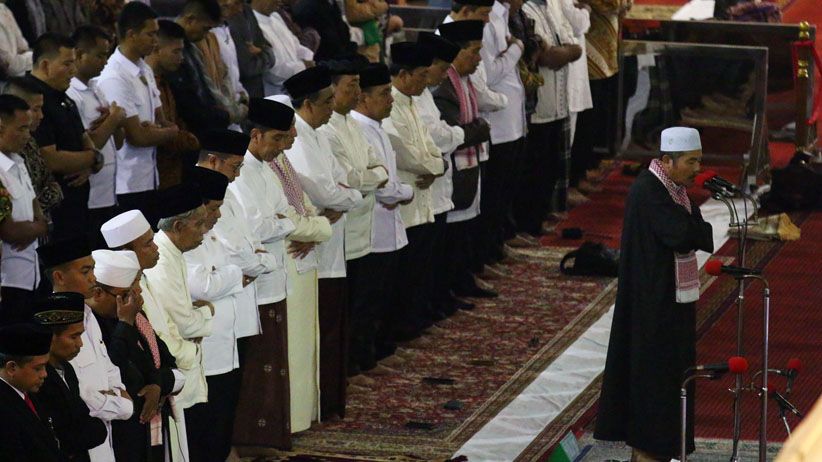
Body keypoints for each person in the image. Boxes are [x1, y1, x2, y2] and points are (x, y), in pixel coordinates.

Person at [594, 127, 715, 461]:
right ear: (668, 160)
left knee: (669, 389)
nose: (697, 168)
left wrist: (694, 229)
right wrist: (693, 229)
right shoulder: (650, 191)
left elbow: (700, 232)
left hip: (666, 304)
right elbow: (683, 234)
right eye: (691, 161)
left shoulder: (672, 191)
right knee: (653, 397)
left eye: (699, 161)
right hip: (652, 310)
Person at [283, 65, 364, 420]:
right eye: (327, 101)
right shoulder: (297, 138)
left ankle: (329, 399)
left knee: (333, 327)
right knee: (321, 330)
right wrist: (341, 200)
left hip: (330, 239)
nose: (334, 107)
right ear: (308, 104)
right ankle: (317, 404)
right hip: (312, 248)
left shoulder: (319, 131)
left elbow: (343, 183)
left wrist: (342, 199)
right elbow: (324, 189)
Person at [316, 56, 390, 392]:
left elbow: (377, 169)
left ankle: (362, 359)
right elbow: (349, 178)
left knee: (365, 299)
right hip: (343, 230)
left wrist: (369, 177)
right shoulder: (329, 130)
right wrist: (369, 177)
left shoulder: (352, 124)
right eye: (351, 86)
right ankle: (346, 368)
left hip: (364, 225)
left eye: (360, 85)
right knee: (347, 305)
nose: (357, 93)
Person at [230, 97, 298, 449]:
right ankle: (251, 441)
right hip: (254, 284)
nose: (281, 148)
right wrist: (282, 223)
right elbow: (257, 226)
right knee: (257, 368)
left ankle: (269, 439)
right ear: (255, 135)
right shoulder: (241, 173)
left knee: (273, 365)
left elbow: (285, 213)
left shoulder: (267, 169)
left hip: (274, 278)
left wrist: (280, 223)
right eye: (277, 140)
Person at [266, 90, 333, 435]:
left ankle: (303, 416)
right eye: (287, 130)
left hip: (304, 260)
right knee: (291, 346)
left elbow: (307, 211)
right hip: (287, 263)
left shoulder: (283, 163)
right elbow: (290, 221)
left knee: (306, 341)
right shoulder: (263, 168)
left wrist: (316, 228)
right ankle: (290, 420)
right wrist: (319, 228)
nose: (294, 135)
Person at [37, 237, 134, 462]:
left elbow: (113, 377)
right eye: (85, 271)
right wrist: (115, 403)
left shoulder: (89, 316)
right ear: (59, 277)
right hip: (81, 443)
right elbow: (77, 396)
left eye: (93, 269)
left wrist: (113, 401)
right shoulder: (53, 325)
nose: (93, 278)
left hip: (105, 436)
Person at [88, 248, 186, 462]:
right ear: (97, 294)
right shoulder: (90, 326)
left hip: (147, 430)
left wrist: (157, 385)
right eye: (126, 294)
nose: (136, 299)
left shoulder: (134, 318)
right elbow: (114, 370)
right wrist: (125, 324)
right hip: (118, 433)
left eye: (136, 289)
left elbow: (168, 363)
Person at [349, 63, 414, 376]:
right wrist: (407, 191)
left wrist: (397, 189)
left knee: (382, 296)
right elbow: (384, 186)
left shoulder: (377, 127)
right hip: (371, 229)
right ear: (363, 98)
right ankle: (361, 362)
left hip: (388, 226)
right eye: (384, 93)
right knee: (366, 301)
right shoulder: (361, 129)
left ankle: (377, 350)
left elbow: (386, 177)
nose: (391, 99)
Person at [141, 183, 211, 461]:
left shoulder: (173, 252)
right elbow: (183, 324)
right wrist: (208, 315)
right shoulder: (161, 260)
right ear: (180, 226)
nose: (204, 231)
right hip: (174, 365)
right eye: (200, 224)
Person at [383, 41, 446, 341]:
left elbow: (432, 147)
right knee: (403, 275)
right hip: (404, 204)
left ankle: (413, 324)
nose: (426, 80)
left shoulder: (413, 103)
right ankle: (399, 331)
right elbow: (406, 152)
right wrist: (434, 167)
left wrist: (438, 165)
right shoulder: (390, 105)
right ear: (404, 75)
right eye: (421, 75)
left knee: (419, 269)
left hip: (422, 200)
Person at [184, 164, 245, 462]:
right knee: (204, 420)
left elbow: (233, 268)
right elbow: (205, 285)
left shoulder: (211, 235)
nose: (219, 215)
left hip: (225, 338)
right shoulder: (186, 242)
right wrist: (233, 275)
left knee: (223, 407)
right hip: (204, 345)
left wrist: (228, 275)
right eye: (215, 208)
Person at [96, 2, 180, 221]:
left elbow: (162, 119)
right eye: (150, 34)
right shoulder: (115, 75)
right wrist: (170, 132)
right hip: (127, 184)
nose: (155, 40)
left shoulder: (144, 68)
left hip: (151, 176)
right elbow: (138, 137)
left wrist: (159, 130)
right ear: (131, 34)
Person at [434, 20, 493, 302]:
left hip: (468, 167)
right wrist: (479, 130)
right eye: (474, 51)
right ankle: (448, 290)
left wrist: (476, 129)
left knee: (466, 230)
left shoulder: (465, 81)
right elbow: (454, 133)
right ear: (457, 53)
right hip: (452, 170)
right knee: (453, 236)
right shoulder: (444, 87)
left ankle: (463, 280)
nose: (479, 58)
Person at [413, 32, 471, 317]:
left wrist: (451, 136)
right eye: (441, 68)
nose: (445, 74)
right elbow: (435, 137)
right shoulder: (415, 96)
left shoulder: (424, 94)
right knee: (420, 261)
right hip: (421, 192)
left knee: (434, 256)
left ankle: (433, 303)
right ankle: (420, 311)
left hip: (437, 188)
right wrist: (459, 134)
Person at [25, 33, 104, 241]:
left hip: (76, 207)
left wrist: (90, 161)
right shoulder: (30, 98)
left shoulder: (64, 97)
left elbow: (85, 139)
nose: (73, 70)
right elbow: (50, 158)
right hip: (51, 211)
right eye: (67, 63)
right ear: (45, 65)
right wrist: (92, 159)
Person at [518, 0, 581, 236]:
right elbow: (544, 57)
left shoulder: (551, 5)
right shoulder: (524, 10)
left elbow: (575, 46)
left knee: (551, 166)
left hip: (558, 103)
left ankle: (542, 215)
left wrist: (562, 52)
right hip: (538, 106)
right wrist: (562, 53)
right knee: (534, 169)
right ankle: (528, 224)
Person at [31, 292, 109, 462]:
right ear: (51, 337)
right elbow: (62, 438)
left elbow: (95, 429)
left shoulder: (67, 369)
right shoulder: (37, 379)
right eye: (74, 336)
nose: (80, 343)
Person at [67, 26, 128, 241]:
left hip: (109, 192)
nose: (105, 61)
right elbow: (88, 145)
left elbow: (118, 143)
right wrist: (113, 119)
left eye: (107, 55)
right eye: (99, 55)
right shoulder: (72, 93)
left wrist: (116, 122)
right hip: (90, 195)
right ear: (79, 55)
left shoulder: (96, 87)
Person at [0, 94, 49, 322]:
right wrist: (39, 227)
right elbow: (9, 231)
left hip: (30, 275)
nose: (27, 136)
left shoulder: (18, 163)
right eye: (21, 129)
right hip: (6, 282)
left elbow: (35, 207)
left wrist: (36, 226)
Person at [146, 20, 202, 189]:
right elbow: (156, 132)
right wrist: (190, 140)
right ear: (156, 49)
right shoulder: (147, 85)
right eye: (176, 52)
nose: (181, 58)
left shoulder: (165, 81)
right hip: (155, 176)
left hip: (173, 171)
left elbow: (173, 122)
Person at [2, 77, 63, 225]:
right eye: (35, 109)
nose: (41, 116)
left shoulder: (29, 143)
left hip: (37, 238)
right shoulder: (11, 148)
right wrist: (33, 224)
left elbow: (52, 186)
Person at [168, 0, 232, 141]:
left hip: (205, 129)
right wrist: (223, 116)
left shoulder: (191, 47)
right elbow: (186, 102)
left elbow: (204, 90)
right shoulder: (171, 50)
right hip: (188, 134)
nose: (205, 35)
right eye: (205, 29)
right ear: (191, 19)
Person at [0, 322, 61, 461]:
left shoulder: (28, 392)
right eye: (38, 368)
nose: (45, 374)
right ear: (12, 368)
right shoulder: (4, 412)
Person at [253, 0, 315, 96]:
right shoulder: (254, 26)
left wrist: (308, 60)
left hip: (301, 85)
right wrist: (303, 66)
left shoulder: (276, 17)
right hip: (279, 93)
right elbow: (272, 72)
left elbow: (296, 46)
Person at [226, 0, 276, 99]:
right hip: (242, 96)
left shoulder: (247, 9)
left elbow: (266, 46)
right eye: (237, 3)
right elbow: (248, 68)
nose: (240, 9)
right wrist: (267, 55)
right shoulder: (227, 20)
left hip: (259, 93)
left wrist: (265, 53)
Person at [291, 0, 358, 61]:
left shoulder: (330, 3)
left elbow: (342, 31)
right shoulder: (310, 7)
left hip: (339, 55)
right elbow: (329, 42)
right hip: (327, 62)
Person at [0, 1, 33, 78]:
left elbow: (23, 47)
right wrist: (37, 58)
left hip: (21, 73)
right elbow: (9, 66)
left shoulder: (3, 9)